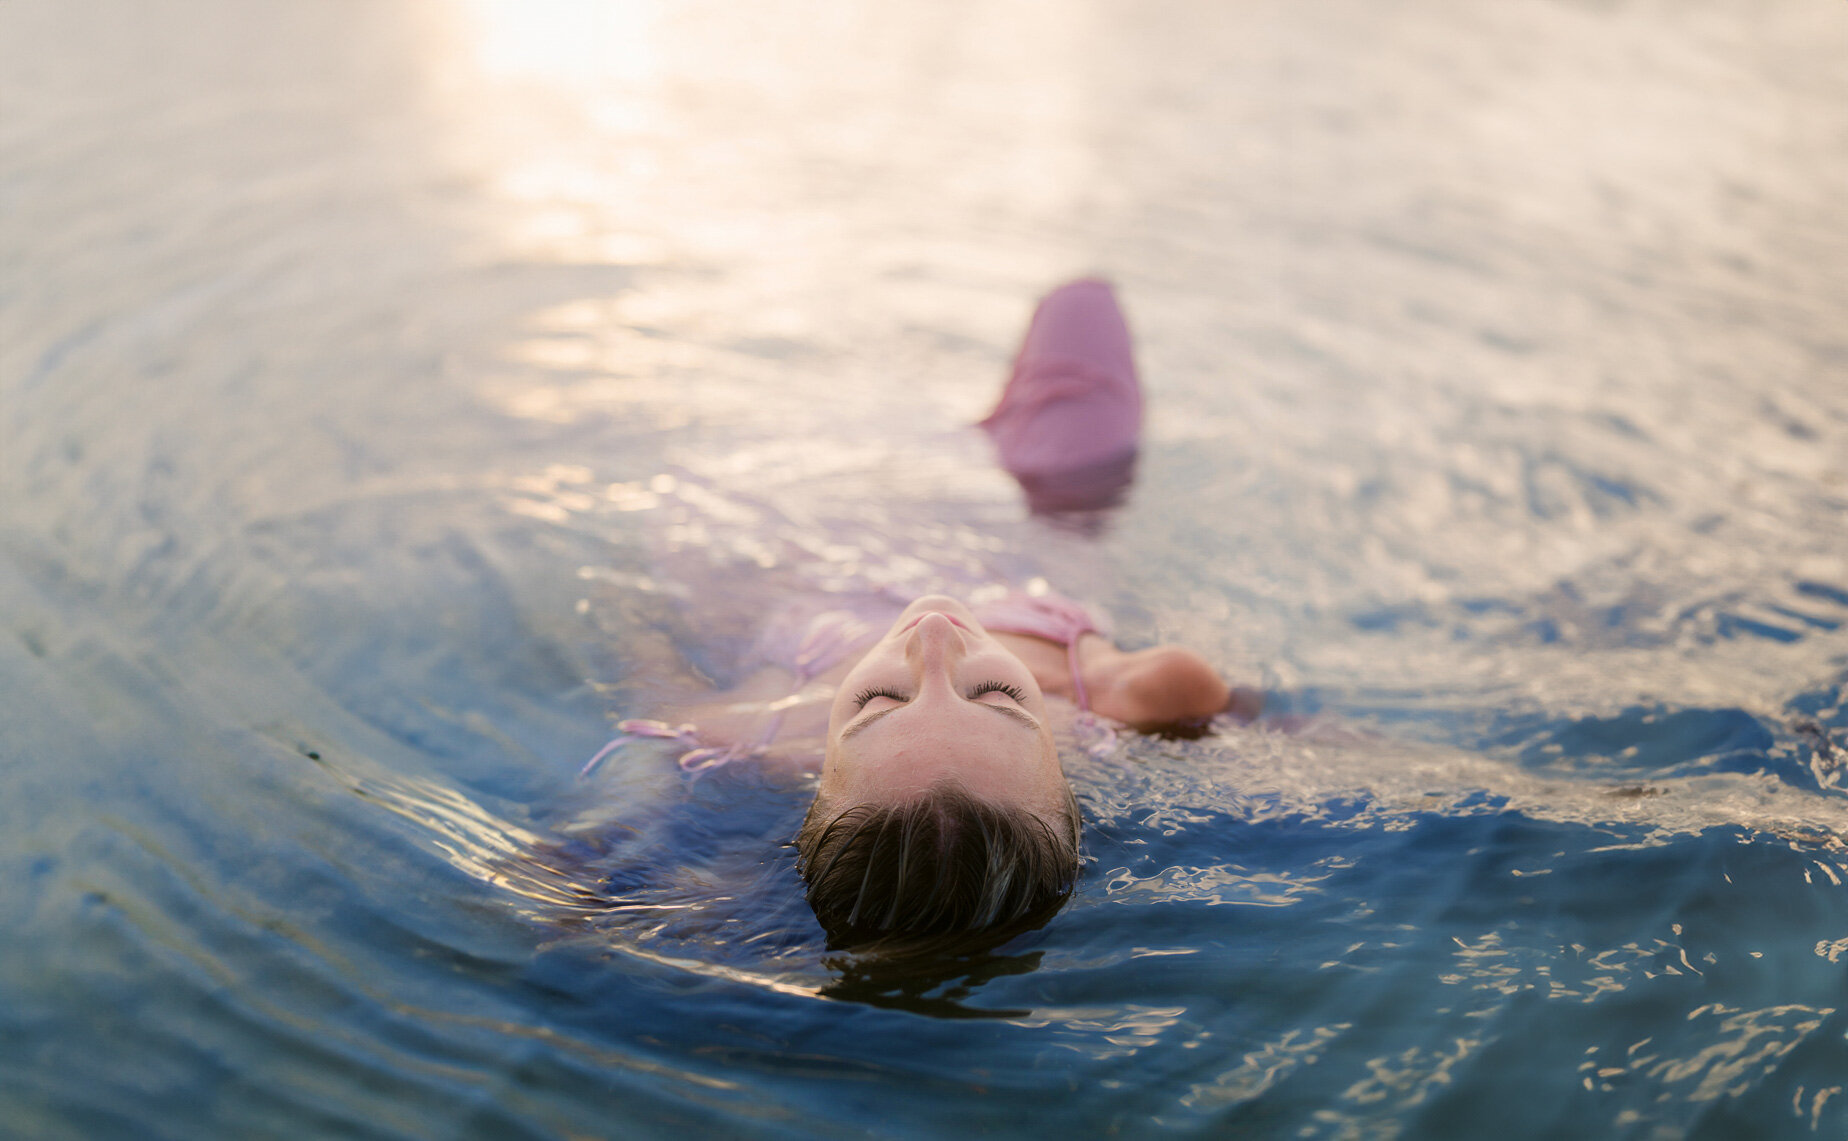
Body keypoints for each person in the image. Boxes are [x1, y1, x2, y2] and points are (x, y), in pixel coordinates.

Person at [596, 280, 1259, 949]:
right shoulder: (1147, 690)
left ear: (816, 776)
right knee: (1082, 305)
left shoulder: (752, 734)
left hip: (822, 527)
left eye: (883, 698)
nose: (935, 634)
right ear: (1068, 783)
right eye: (996, 695)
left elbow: (645, 645)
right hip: (1044, 500)